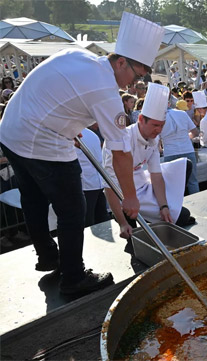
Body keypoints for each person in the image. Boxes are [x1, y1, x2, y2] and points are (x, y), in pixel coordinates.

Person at [0, 12, 164, 295]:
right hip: (40, 141)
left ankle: (49, 257)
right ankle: (73, 277)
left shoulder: (80, 57)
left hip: (11, 130)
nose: (134, 85)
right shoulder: (107, 90)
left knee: (34, 199)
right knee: (73, 207)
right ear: (121, 61)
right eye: (136, 76)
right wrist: (131, 197)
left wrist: (66, 124)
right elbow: (120, 152)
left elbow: (64, 94)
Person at [104, 83, 195, 240]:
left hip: (144, 188)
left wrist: (164, 206)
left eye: (161, 126)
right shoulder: (120, 141)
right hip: (122, 194)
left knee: (182, 215)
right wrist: (121, 222)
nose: (158, 130)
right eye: (154, 125)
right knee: (132, 235)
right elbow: (109, 187)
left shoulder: (154, 138)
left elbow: (156, 175)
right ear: (141, 119)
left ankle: (152, 217)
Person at [160, 96, 200, 195]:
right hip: (187, 149)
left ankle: (175, 207)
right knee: (192, 181)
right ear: (169, 104)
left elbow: (155, 140)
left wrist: (161, 149)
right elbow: (195, 132)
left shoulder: (158, 118)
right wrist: (186, 138)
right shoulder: (182, 113)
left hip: (170, 152)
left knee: (172, 184)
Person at [76, 128, 110, 227]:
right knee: (102, 218)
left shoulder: (74, 136)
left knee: (88, 221)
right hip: (98, 180)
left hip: (86, 184)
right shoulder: (92, 134)